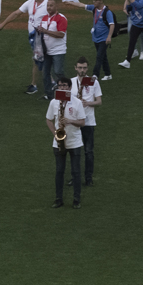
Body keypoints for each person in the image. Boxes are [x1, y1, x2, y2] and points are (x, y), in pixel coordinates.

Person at [0, 0, 49, 95]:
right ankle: (49, 83)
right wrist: (3, 24)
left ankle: (37, 85)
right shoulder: (30, 2)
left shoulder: (48, 5)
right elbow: (16, 13)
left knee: (39, 60)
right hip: (33, 37)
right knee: (40, 60)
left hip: (42, 37)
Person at [46, 76, 86, 209]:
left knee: (75, 171)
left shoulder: (76, 102)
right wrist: (56, 134)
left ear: (69, 87)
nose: (62, 87)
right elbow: (48, 120)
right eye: (60, 85)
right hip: (59, 142)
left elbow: (82, 122)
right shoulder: (54, 102)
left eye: (64, 85)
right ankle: (58, 199)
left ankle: (76, 199)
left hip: (75, 142)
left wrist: (69, 121)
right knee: (59, 171)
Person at [63, 0, 114, 80]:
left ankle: (95, 75)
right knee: (103, 56)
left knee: (99, 57)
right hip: (96, 38)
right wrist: (70, 3)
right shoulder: (94, 8)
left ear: (101, 1)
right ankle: (108, 74)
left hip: (104, 39)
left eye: (95, 0)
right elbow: (81, 5)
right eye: (93, 0)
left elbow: (112, 25)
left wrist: (109, 37)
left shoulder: (107, 12)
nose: (93, 2)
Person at [69, 58, 101, 188]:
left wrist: (88, 103)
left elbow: (99, 101)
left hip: (88, 122)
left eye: (84, 68)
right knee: (73, 151)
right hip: (75, 122)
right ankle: (74, 177)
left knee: (88, 151)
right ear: (75, 68)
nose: (82, 70)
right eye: (80, 68)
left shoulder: (93, 82)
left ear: (87, 69)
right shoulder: (71, 82)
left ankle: (88, 178)